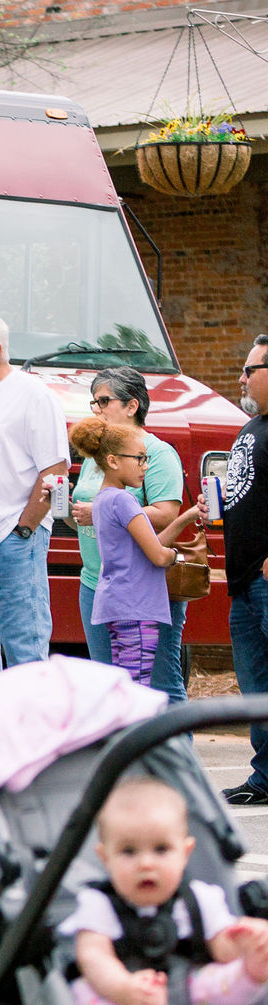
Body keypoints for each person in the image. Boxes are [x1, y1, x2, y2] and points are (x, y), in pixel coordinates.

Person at [60, 778, 268, 1005]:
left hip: (190, 991)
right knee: (84, 991)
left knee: (222, 975)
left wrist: (244, 942)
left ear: (185, 853)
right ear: (105, 858)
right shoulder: (98, 904)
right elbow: (94, 957)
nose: (146, 864)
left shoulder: (200, 898)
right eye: (129, 851)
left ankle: (254, 969)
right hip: (123, 991)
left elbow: (221, 949)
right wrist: (124, 988)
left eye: (161, 849)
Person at [0, 312, 69, 675]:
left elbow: (55, 472)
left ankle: (36, 733)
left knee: (26, 654)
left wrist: (23, 530)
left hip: (12, 542)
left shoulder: (34, 395)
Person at [73, 369, 188, 700]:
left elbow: (167, 512)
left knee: (160, 684)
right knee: (111, 686)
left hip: (142, 587)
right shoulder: (100, 455)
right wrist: (73, 512)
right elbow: (94, 513)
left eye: (105, 400)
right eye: (94, 401)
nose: (97, 408)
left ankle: (175, 752)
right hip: (96, 582)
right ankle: (126, 753)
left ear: (132, 405)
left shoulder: (157, 453)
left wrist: (100, 511)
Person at [226, 335, 268, 807]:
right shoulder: (250, 428)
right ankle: (264, 779)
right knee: (256, 688)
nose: (241, 378)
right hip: (243, 582)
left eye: (249, 369)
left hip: (265, 579)